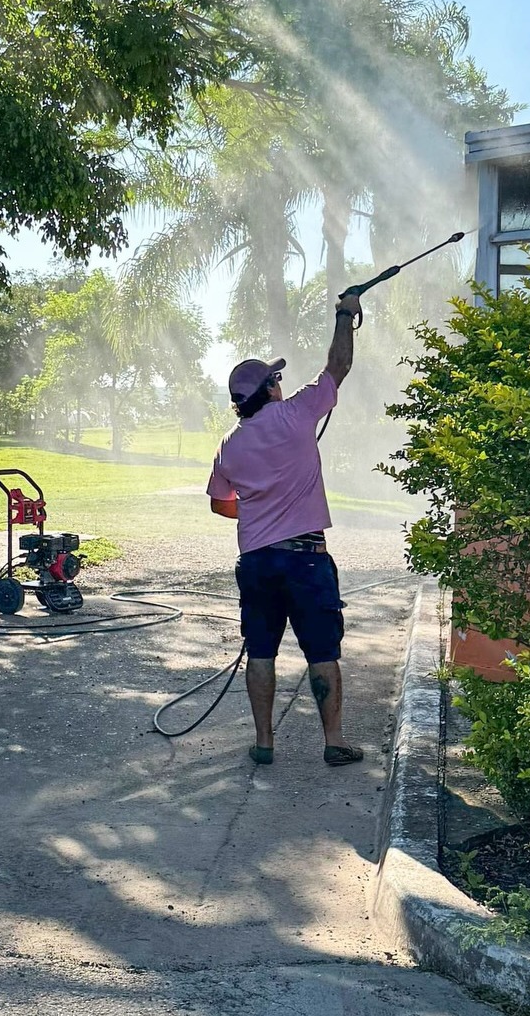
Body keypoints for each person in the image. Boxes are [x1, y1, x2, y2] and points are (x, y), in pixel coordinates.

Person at [206, 291, 365, 767]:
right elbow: (337, 367)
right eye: (276, 377)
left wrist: (258, 514)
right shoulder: (297, 414)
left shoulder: (229, 446)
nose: (281, 382)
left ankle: (263, 743)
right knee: (321, 651)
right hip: (305, 558)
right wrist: (345, 312)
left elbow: (220, 504)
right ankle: (333, 741)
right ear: (271, 389)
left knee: (261, 652)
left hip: (256, 562)